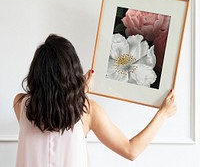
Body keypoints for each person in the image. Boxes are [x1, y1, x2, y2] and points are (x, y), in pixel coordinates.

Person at [14, 34, 177, 167]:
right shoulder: (87, 111)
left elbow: (51, 112)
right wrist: (162, 114)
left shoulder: (20, 105)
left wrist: (80, 92)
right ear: (72, 71)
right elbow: (131, 150)